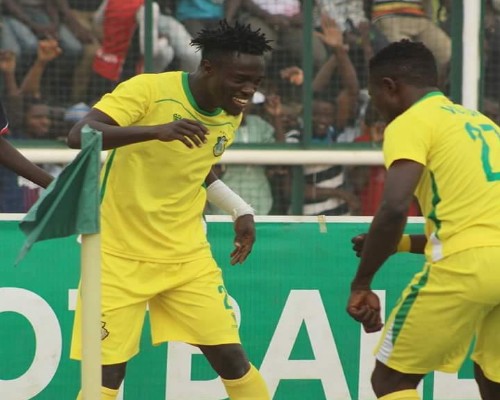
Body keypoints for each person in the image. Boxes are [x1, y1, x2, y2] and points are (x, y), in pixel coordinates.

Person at [67, 20, 272, 400]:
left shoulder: (231, 110)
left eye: (256, 82)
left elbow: (194, 165)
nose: (249, 90)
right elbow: (79, 135)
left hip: (185, 257)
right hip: (115, 256)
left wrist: (239, 209)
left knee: (233, 360)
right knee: (105, 378)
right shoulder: (149, 90)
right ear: (208, 68)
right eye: (240, 79)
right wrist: (154, 130)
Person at [346, 40, 500, 400]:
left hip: (465, 269)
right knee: (492, 377)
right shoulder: (483, 124)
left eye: (374, 95)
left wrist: (362, 282)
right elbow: (476, 229)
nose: (376, 106)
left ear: (390, 87)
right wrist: (397, 245)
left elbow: (394, 207)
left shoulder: (411, 122)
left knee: (390, 381)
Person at [0, 99, 53, 190]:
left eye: (47, 117)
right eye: (37, 117)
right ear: (24, 118)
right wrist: (55, 186)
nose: (45, 121)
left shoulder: (53, 141)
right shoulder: (12, 142)